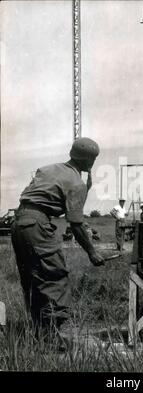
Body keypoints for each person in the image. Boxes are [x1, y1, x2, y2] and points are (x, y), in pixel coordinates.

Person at [11, 137, 104, 336]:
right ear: (90, 161)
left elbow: (39, 195)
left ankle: (38, 331)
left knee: (33, 277)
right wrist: (92, 252)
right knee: (53, 276)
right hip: (37, 224)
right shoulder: (76, 182)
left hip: (19, 222)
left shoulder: (48, 169)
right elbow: (76, 224)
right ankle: (50, 337)